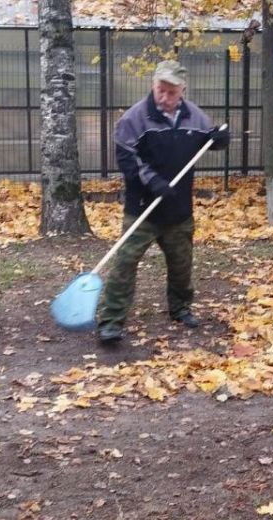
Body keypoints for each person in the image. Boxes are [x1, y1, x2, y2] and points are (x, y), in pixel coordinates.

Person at [96, 59, 230, 344]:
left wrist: (219, 138)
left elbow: (210, 139)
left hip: (179, 209)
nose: (165, 97)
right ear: (153, 86)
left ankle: (180, 307)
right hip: (143, 209)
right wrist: (152, 181)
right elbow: (126, 158)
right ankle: (111, 320)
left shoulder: (195, 116)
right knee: (124, 263)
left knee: (182, 264)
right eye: (160, 90)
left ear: (183, 89)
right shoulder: (134, 119)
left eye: (171, 91)